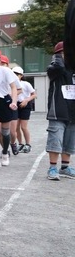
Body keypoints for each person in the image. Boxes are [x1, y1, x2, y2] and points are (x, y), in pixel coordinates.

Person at [45, 41, 75, 180]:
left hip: (72, 112)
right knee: (55, 140)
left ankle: (65, 167)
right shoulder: (55, 68)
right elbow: (58, 67)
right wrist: (59, 57)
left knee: (69, 141)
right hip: (58, 111)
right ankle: (52, 168)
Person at [12, 66, 36, 153]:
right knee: (16, 127)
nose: (15, 76)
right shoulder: (11, 84)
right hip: (15, 105)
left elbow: (34, 94)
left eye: (17, 74)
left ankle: (28, 144)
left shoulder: (26, 84)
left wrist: (26, 100)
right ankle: (20, 144)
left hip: (25, 105)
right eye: (13, 74)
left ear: (21, 75)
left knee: (23, 126)